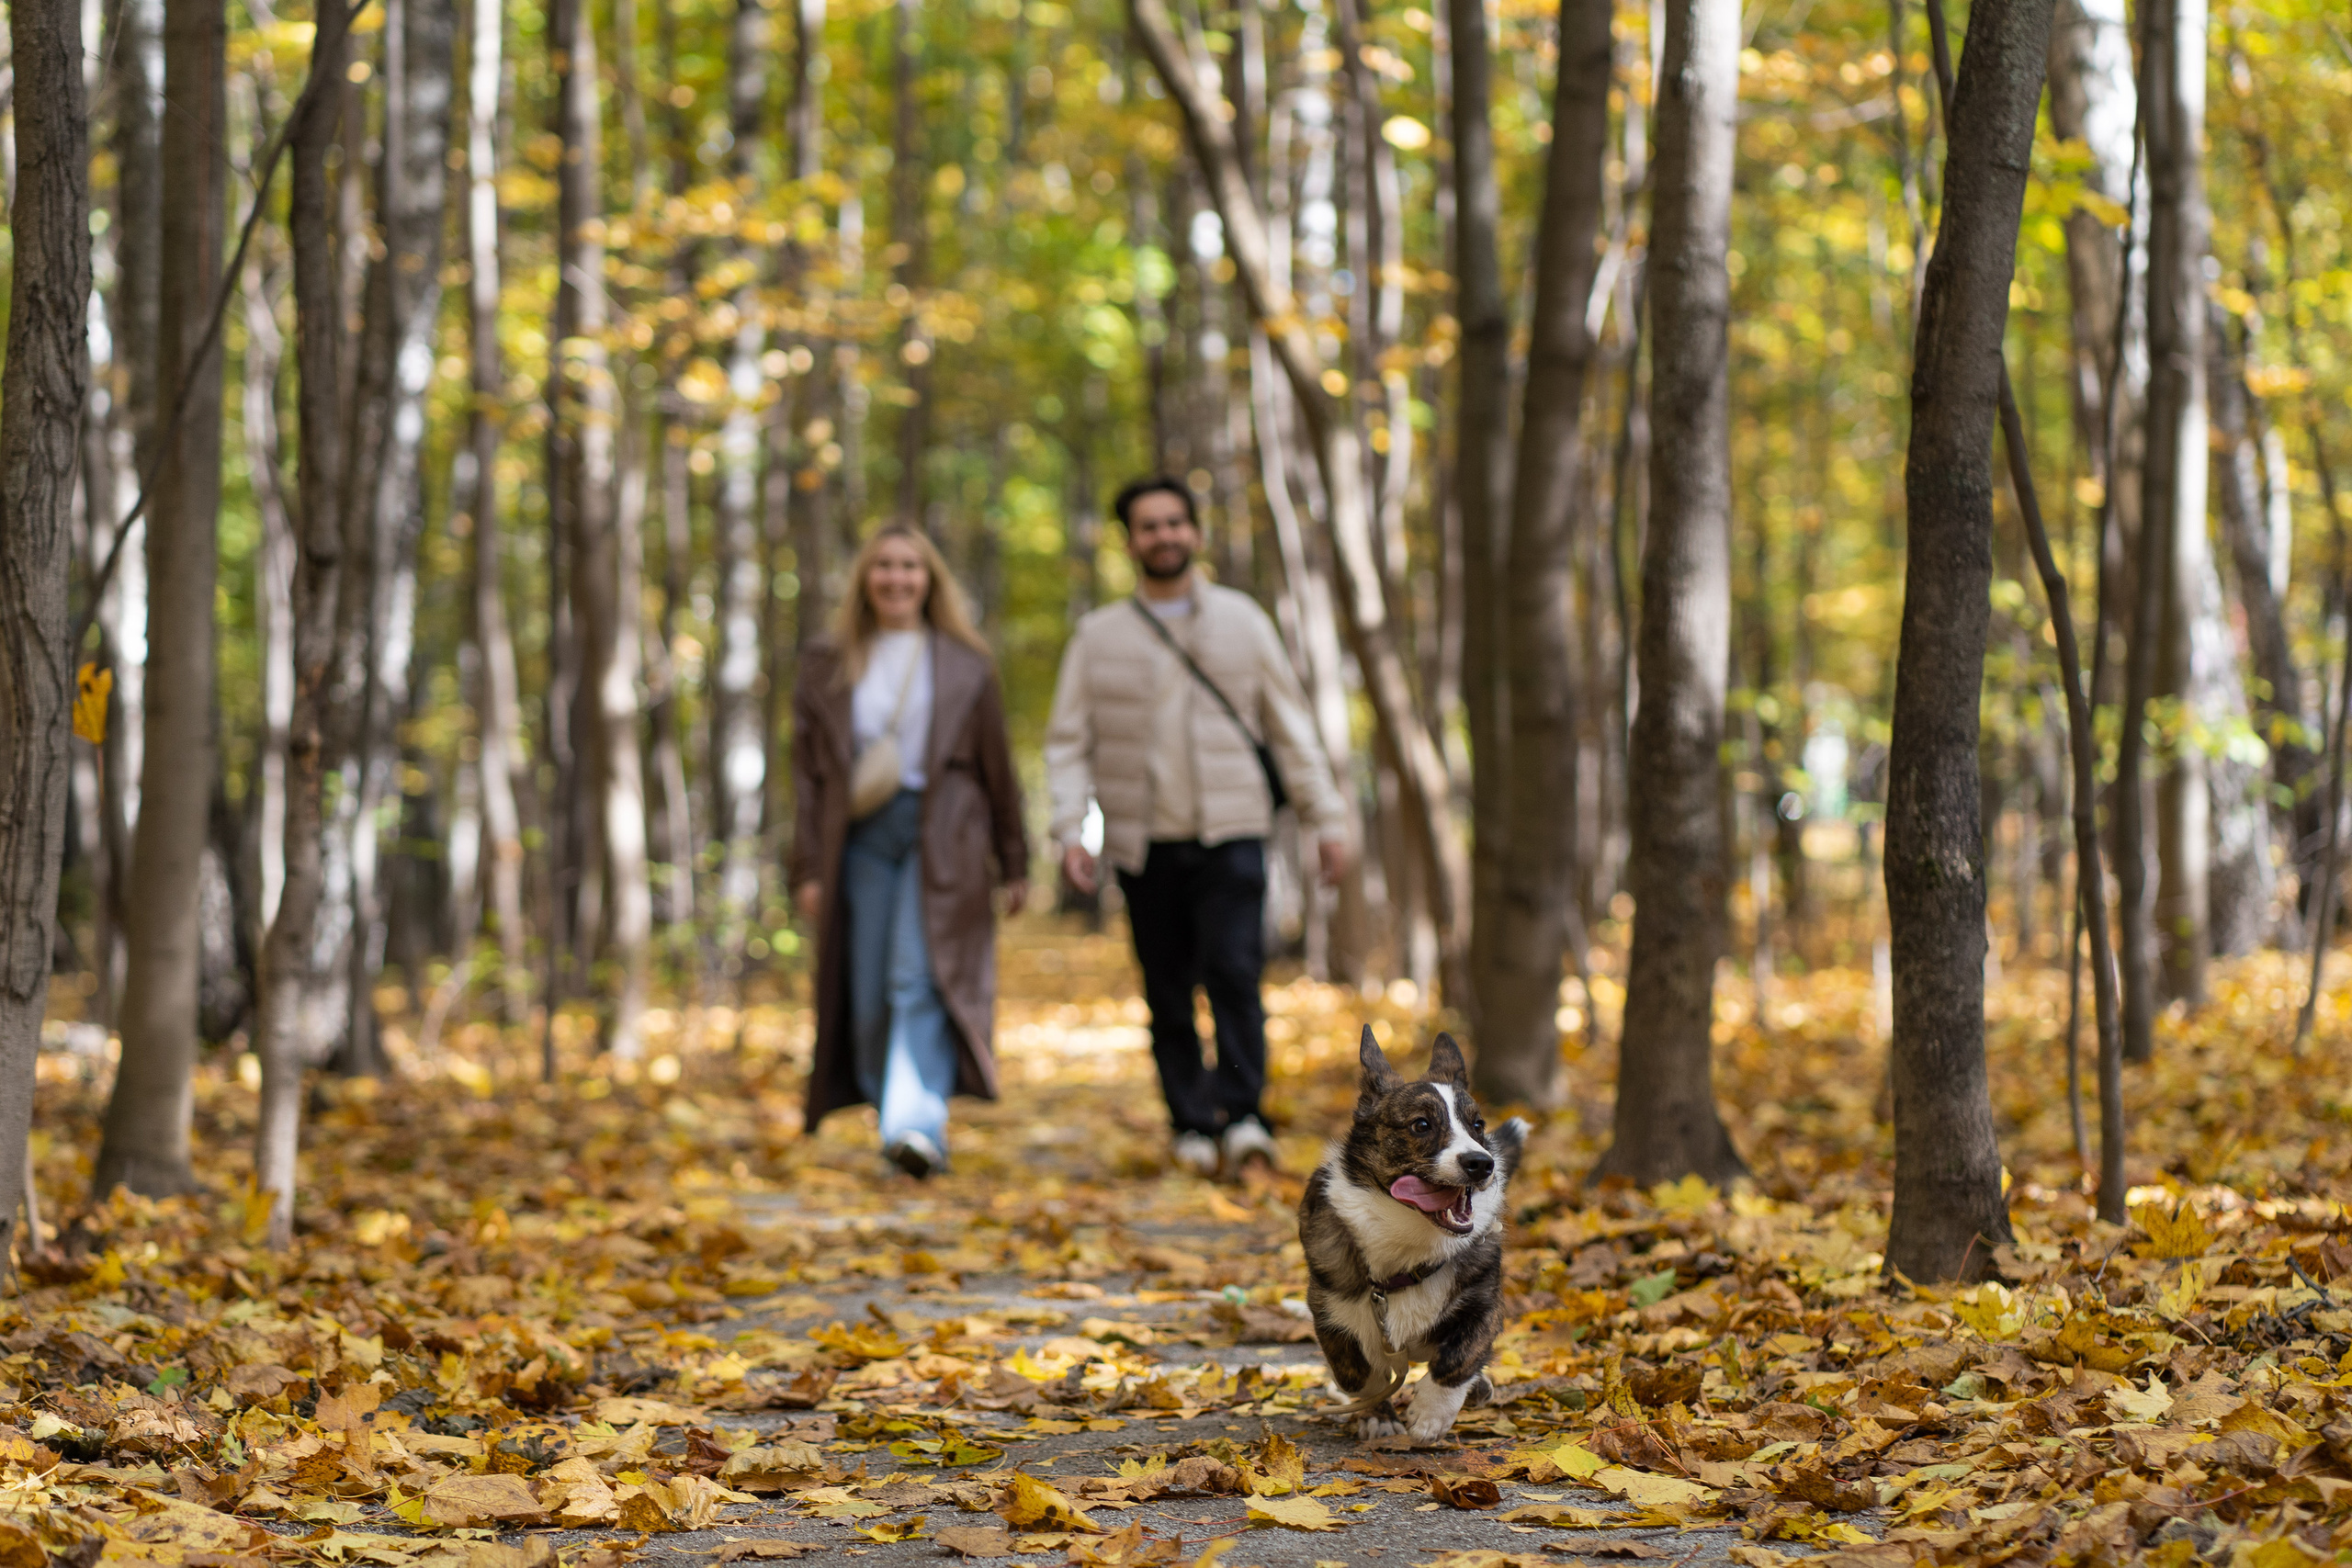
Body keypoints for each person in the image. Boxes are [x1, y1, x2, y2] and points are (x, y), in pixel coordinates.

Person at [1044, 477, 1351, 1179]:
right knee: (1167, 987)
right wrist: (1071, 831)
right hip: (1143, 841)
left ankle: (1242, 1114)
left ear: (1196, 532)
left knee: (1235, 972)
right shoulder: (1099, 637)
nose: (1164, 536)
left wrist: (1324, 816)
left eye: (1175, 523)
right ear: (1130, 542)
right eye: (1149, 526)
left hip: (1234, 828)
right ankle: (1189, 1120)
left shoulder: (1243, 621)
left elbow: (1288, 723)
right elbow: (1067, 742)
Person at [791, 525, 1030, 1179]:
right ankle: (893, 1118)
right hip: (861, 837)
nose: (897, 578)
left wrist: (1015, 860)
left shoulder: (964, 661)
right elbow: (808, 777)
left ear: (930, 579)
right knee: (868, 991)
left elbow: (996, 766)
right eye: (884, 566)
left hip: (945, 834)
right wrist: (807, 866)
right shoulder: (827, 659)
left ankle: (915, 1126)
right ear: (866, 578)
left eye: (910, 567)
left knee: (915, 977)